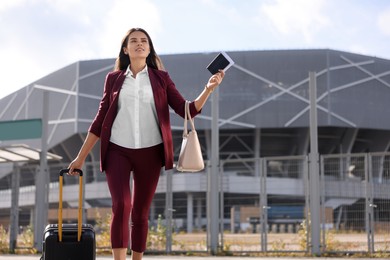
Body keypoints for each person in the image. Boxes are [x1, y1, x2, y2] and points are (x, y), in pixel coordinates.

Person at [67, 27, 225, 260]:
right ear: (125, 49)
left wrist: (208, 89)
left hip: (151, 152)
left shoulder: (161, 78)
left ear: (149, 48)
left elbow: (186, 110)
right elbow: (100, 120)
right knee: (121, 205)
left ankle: (137, 258)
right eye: (134, 41)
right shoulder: (113, 79)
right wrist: (80, 157)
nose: (139, 43)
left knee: (140, 212)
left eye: (144, 41)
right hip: (117, 150)